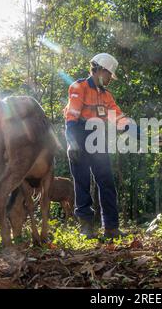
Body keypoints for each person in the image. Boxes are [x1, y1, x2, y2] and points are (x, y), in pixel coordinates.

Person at [63, 53, 138, 239]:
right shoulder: (78, 87)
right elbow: (71, 118)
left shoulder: (106, 96)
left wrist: (132, 129)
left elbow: (117, 117)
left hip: (97, 136)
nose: (110, 79)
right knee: (82, 182)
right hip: (78, 135)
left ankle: (111, 228)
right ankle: (86, 228)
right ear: (99, 70)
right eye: (109, 75)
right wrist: (72, 143)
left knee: (106, 182)